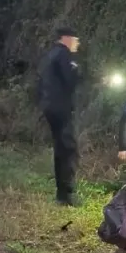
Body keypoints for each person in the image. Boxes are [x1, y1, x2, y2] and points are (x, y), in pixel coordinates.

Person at [37, 27, 81, 206]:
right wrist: (80, 74)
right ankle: (66, 195)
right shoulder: (63, 55)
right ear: (67, 38)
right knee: (68, 150)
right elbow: (70, 80)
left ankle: (62, 194)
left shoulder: (50, 55)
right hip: (60, 108)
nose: (78, 43)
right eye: (76, 40)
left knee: (60, 149)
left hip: (50, 107)